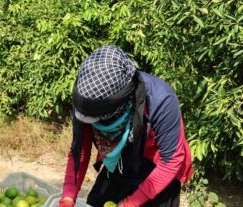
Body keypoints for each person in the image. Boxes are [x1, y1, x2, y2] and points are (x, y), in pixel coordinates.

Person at [59, 46, 193, 207]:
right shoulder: (86, 101)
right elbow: (80, 149)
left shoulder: (160, 100)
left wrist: (132, 203)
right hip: (118, 166)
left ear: (118, 105)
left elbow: (171, 160)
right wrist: (68, 194)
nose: (91, 121)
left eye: (97, 118)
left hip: (156, 174)